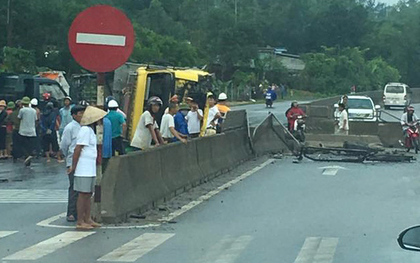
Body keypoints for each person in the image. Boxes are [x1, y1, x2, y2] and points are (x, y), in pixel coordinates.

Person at [68, 106, 106, 230]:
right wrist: (73, 167)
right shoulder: (84, 130)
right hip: (83, 167)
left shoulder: (90, 130)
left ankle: (87, 218)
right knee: (83, 194)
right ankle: (80, 221)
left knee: (89, 194)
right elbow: (77, 149)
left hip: (90, 167)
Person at [60, 105, 86, 222]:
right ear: (74, 115)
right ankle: (71, 213)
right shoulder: (70, 128)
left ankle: (81, 212)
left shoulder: (86, 127)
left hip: (85, 161)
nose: (82, 115)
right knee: (74, 187)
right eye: (80, 113)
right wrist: (69, 159)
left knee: (84, 188)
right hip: (73, 160)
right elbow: (64, 145)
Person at [18, 97, 38, 166]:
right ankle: (28, 159)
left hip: (23, 130)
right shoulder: (34, 111)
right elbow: (36, 119)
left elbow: (19, 118)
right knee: (29, 146)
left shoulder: (22, 110)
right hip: (32, 131)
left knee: (22, 145)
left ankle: (27, 156)